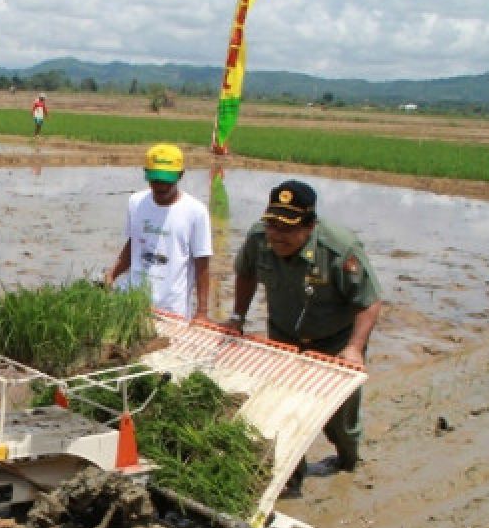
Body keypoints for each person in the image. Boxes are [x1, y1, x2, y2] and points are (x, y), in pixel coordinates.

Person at [224, 179, 382, 498]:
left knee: (339, 418)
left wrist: (353, 348)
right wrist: (238, 317)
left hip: (335, 340)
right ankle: (290, 476)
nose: (276, 234)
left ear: (309, 225)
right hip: (284, 336)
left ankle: (348, 459)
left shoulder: (338, 249)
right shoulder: (259, 238)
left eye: (287, 227)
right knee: (283, 407)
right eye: (273, 224)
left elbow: (368, 301)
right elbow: (246, 273)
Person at [104, 143, 212, 320]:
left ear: (180, 175)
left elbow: (202, 264)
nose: (160, 186)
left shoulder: (195, 212)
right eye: (155, 180)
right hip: (133, 301)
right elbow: (133, 244)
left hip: (171, 308)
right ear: (146, 174)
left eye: (166, 181)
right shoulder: (136, 203)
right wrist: (112, 274)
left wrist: (201, 312)